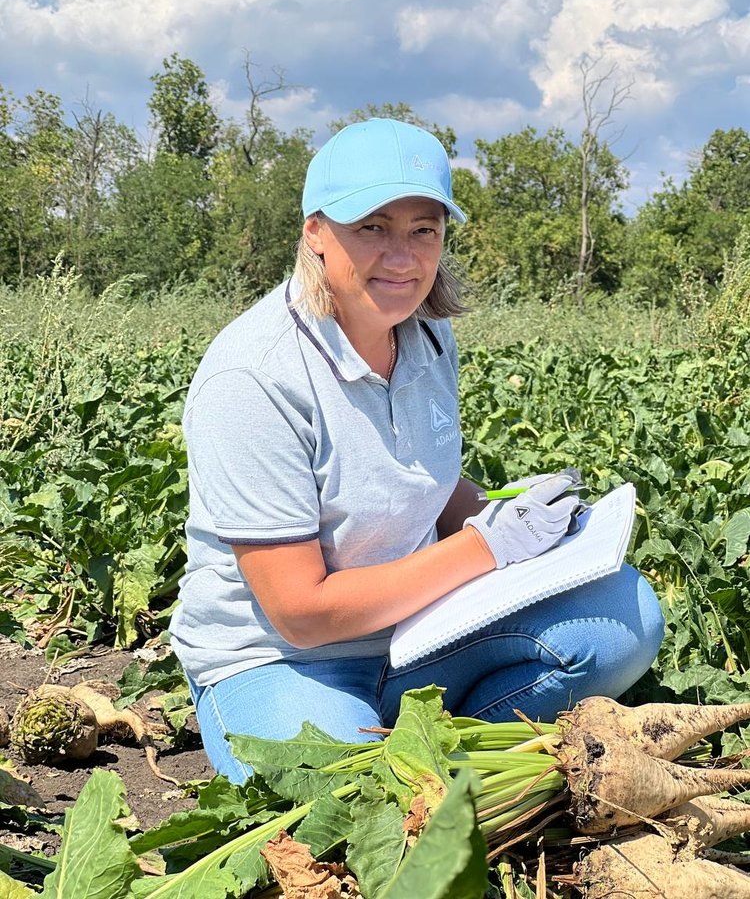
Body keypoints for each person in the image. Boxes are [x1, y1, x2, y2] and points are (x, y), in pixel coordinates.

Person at [169, 118, 664, 783]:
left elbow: (420, 480)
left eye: (422, 229)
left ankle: (433, 756)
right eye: (372, 227)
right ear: (316, 231)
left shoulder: (426, 338)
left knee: (625, 619)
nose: (402, 257)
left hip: (413, 637)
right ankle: (420, 761)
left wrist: (519, 514)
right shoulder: (254, 377)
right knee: (353, 799)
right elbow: (301, 613)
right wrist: (487, 547)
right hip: (282, 660)